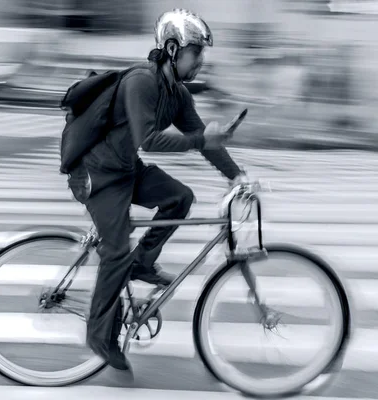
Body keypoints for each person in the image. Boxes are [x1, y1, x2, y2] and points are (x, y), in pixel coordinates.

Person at [68, 8, 247, 375]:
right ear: (171, 48)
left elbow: (204, 142)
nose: (200, 61)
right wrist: (201, 137)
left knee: (179, 198)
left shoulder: (177, 95)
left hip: (125, 169)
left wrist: (237, 177)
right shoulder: (141, 82)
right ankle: (100, 336)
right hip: (96, 173)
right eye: (196, 52)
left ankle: (142, 263)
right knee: (115, 252)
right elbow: (147, 139)